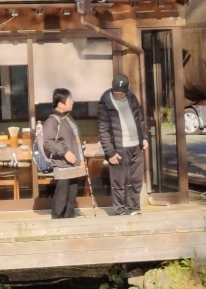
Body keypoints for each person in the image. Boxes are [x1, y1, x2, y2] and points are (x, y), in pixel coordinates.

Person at [97, 72, 148, 218]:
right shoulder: (106, 101)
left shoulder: (131, 98)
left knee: (136, 179)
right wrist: (110, 153)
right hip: (119, 147)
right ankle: (119, 210)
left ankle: (134, 208)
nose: (119, 95)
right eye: (116, 92)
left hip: (135, 145)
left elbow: (140, 120)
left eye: (121, 93)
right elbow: (103, 130)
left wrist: (144, 137)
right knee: (118, 181)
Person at [37, 88, 87, 220]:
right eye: (69, 99)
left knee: (71, 197)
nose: (72, 102)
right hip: (63, 164)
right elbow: (48, 142)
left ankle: (70, 221)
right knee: (62, 196)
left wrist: (79, 147)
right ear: (60, 103)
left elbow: (71, 138)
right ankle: (57, 222)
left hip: (74, 163)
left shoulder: (68, 118)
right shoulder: (52, 121)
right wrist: (64, 152)